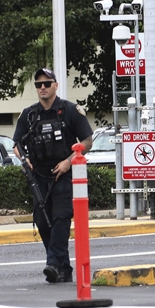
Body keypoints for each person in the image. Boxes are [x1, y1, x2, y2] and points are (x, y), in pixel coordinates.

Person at [13, 67, 93, 284]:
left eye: (47, 83)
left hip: (63, 174)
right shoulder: (29, 114)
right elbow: (16, 144)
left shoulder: (69, 110)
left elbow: (88, 140)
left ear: (56, 85)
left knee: (60, 217)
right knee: (42, 220)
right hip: (38, 175)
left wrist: (69, 161)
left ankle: (53, 263)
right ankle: (63, 268)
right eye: (39, 84)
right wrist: (24, 159)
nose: (42, 88)